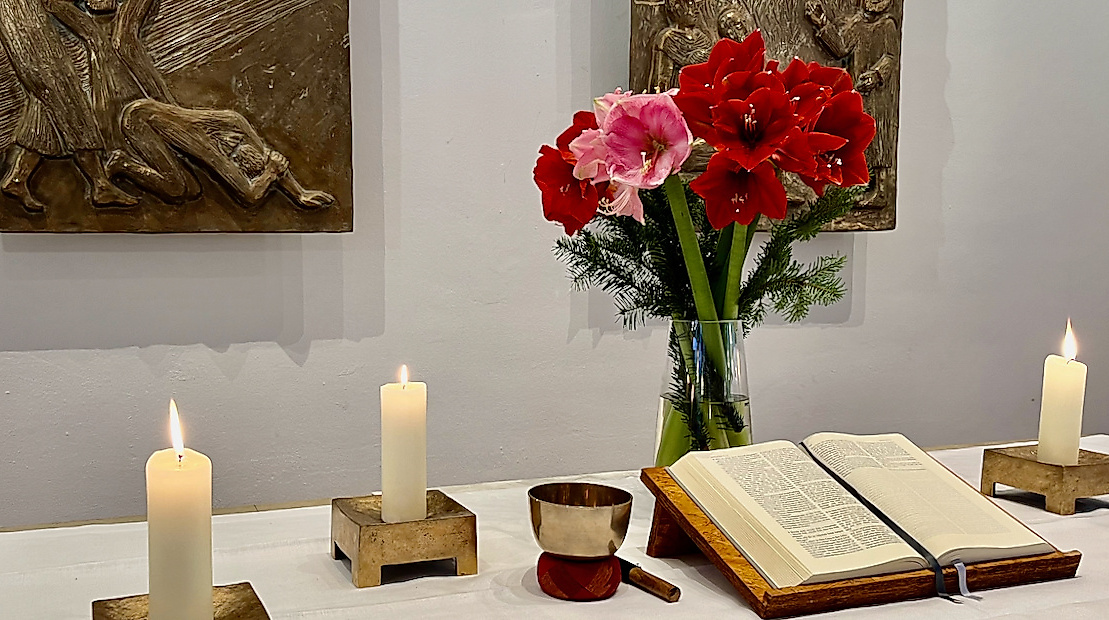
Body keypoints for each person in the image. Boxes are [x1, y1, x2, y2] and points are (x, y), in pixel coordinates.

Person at [0, 0, 137, 212]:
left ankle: (18, 178)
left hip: (26, 24)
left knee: (47, 104)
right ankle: (100, 184)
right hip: (29, 28)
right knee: (68, 101)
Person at [107, 99, 335, 210]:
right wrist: (270, 172)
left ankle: (129, 162)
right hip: (138, 122)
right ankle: (122, 164)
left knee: (193, 190)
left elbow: (270, 157)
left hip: (147, 113)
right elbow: (250, 195)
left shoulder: (237, 127)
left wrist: (299, 193)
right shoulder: (220, 149)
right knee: (176, 187)